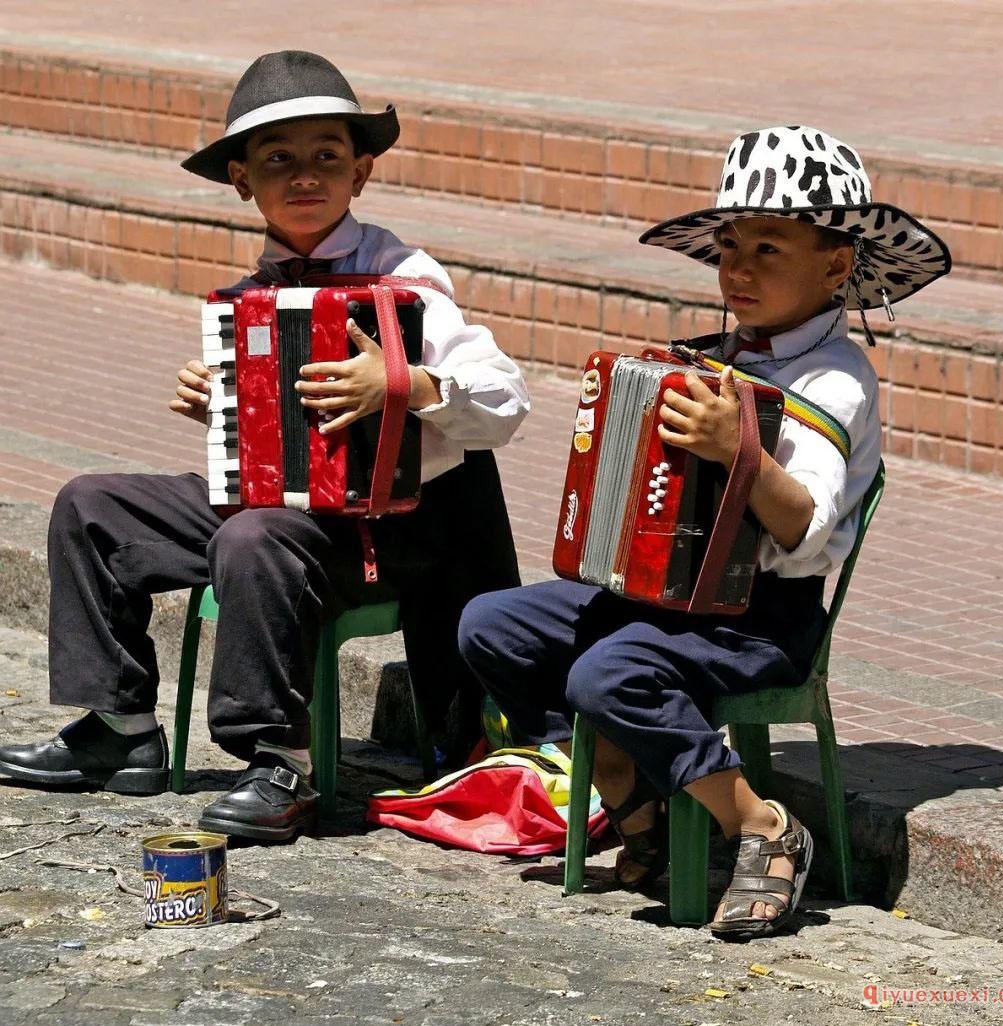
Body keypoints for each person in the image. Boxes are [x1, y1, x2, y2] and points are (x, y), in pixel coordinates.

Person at [0, 50, 529, 842]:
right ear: (243, 180)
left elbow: (506, 401)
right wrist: (216, 403)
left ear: (363, 172)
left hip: (389, 530)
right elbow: (264, 442)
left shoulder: (406, 278)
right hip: (285, 514)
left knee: (254, 533)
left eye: (327, 156)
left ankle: (279, 761)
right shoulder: (255, 291)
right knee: (91, 503)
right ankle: (119, 727)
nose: (305, 176)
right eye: (279, 160)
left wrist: (405, 384)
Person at [459, 126, 950, 938]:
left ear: (836, 265)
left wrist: (737, 449)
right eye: (729, 247)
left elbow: (801, 527)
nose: (739, 268)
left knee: (607, 675)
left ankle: (761, 827)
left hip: (764, 619)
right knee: (492, 626)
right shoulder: (720, 356)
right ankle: (633, 795)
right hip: (671, 605)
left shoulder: (836, 378)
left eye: (768, 247)